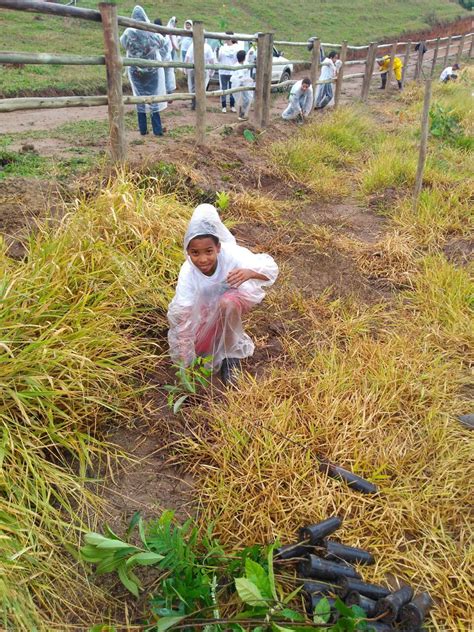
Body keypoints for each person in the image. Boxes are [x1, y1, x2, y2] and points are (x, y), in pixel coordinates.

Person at [167, 204, 278, 384]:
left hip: (231, 301)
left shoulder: (232, 255)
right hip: (204, 309)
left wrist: (250, 272)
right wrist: (185, 364)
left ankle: (230, 356)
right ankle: (211, 343)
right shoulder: (188, 273)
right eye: (195, 253)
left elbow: (271, 271)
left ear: (218, 247)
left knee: (227, 304)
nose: (203, 259)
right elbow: (182, 314)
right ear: (187, 252)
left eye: (209, 251)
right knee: (201, 347)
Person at [120, 5, 166, 136]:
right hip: (152, 71)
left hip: (136, 71)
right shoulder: (151, 31)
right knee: (153, 99)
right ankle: (157, 130)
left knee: (139, 99)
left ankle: (143, 129)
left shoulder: (129, 32)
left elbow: (122, 43)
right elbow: (162, 42)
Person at [185, 40, 216, 110]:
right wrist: (212, 70)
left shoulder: (192, 45)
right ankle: (200, 104)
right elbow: (212, 60)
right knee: (202, 87)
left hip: (193, 69)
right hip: (203, 70)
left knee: (193, 87)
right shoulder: (207, 47)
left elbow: (187, 58)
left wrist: (186, 69)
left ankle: (194, 104)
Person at [218, 35, 240, 113]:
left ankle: (232, 105)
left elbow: (238, 58)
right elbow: (219, 58)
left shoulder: (236, 47)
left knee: (232, 89)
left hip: (232, 71)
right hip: (223, 71)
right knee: (223, 89)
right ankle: (223, 106)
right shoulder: (222, 48)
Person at [154, 18, 176, 94]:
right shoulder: (165, 34)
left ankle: (166, 92)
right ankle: (169, 91)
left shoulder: (156, 35)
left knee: (162, 76)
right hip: (166, 57)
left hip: (160, 58)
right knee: (168, 75)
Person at [231, 49, 254, 120]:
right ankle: (241, 114)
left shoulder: (244, 64)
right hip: (239, 85)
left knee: (246, 99)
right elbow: (240, 78)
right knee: (241, 100)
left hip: (243, 85)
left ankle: (243, 113)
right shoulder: (237, 66)